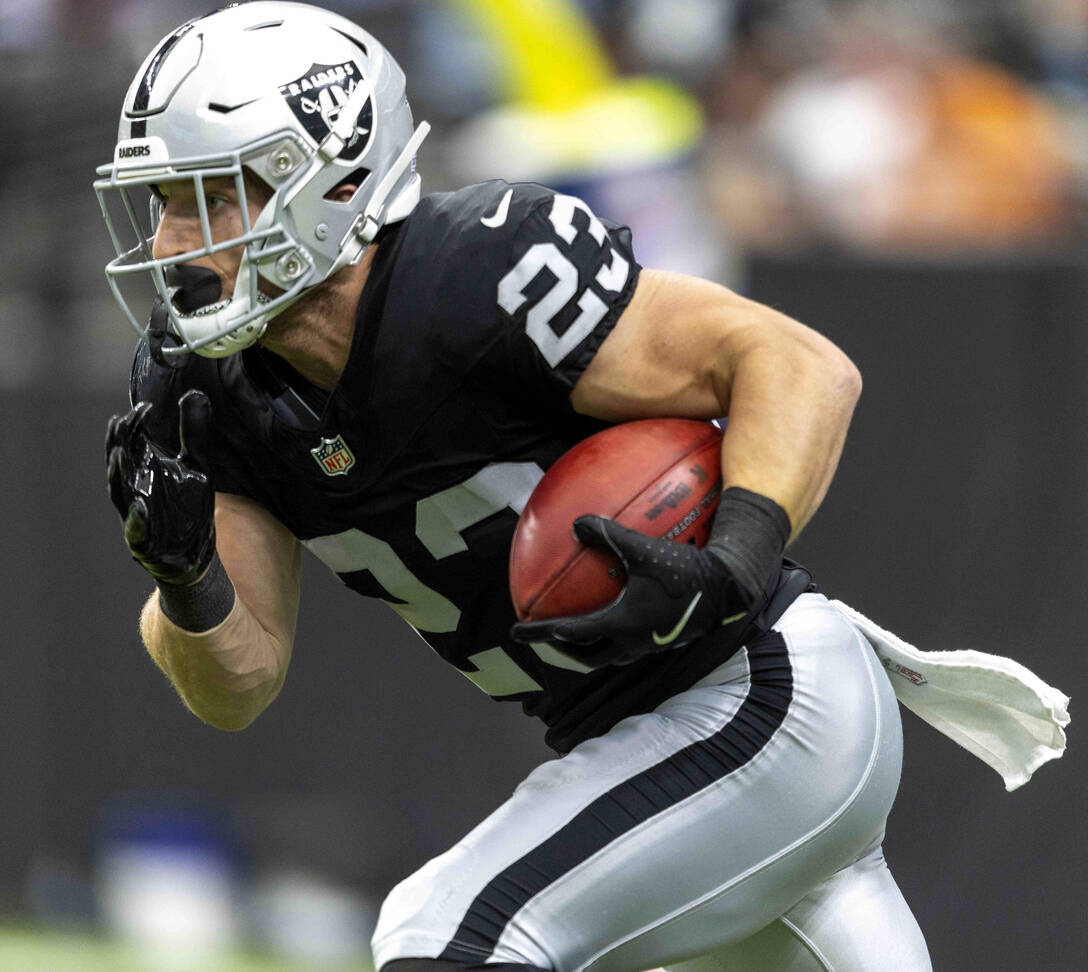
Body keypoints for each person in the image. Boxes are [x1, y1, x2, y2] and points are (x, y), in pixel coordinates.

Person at [98, 3, 932, 969]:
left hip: (761, 696)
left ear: (329, 182)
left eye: (204, 200)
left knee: (443, 933)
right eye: (161, 203)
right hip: (647, 748)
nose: (170, 243)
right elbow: (239, 684)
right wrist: (186, 577)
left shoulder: (475, 273)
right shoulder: (205, 389)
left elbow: (799, 366)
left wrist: (733, 562)